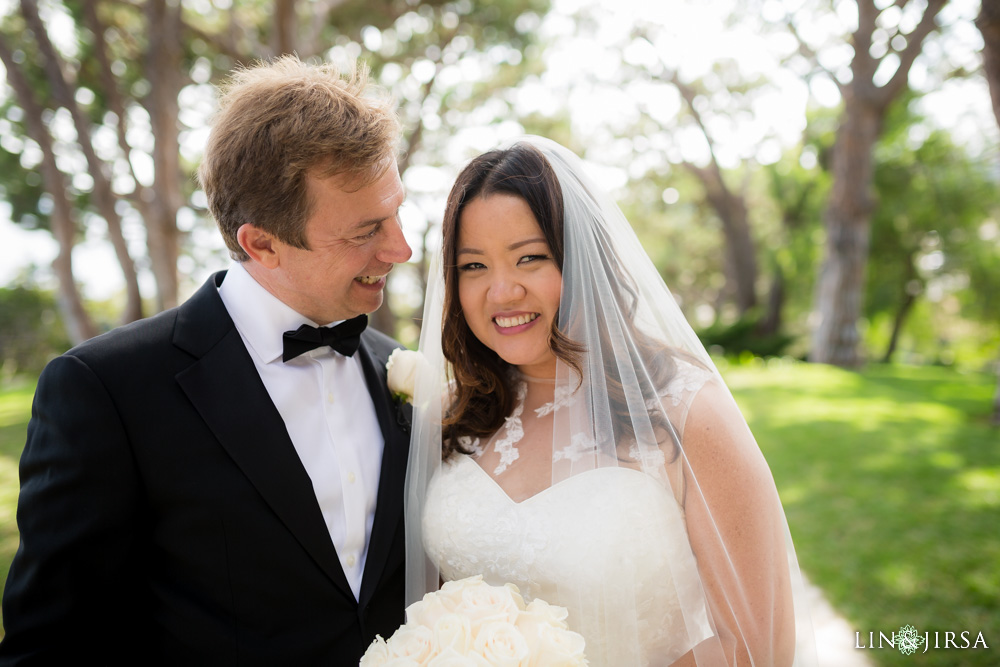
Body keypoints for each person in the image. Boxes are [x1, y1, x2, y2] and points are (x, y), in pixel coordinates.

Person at [1, 56, 412, 664]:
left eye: (397, 210)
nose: (400, 248)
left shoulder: (399, 371)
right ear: (261, 243)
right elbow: (51, 647)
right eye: (364, 232)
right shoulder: (107, 391)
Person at [404, 137, 818, 666]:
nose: (502, 292)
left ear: (585, 261)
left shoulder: (688, 411)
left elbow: (757, 648)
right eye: (474, 266)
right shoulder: (455, 413)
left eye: (530, 258)